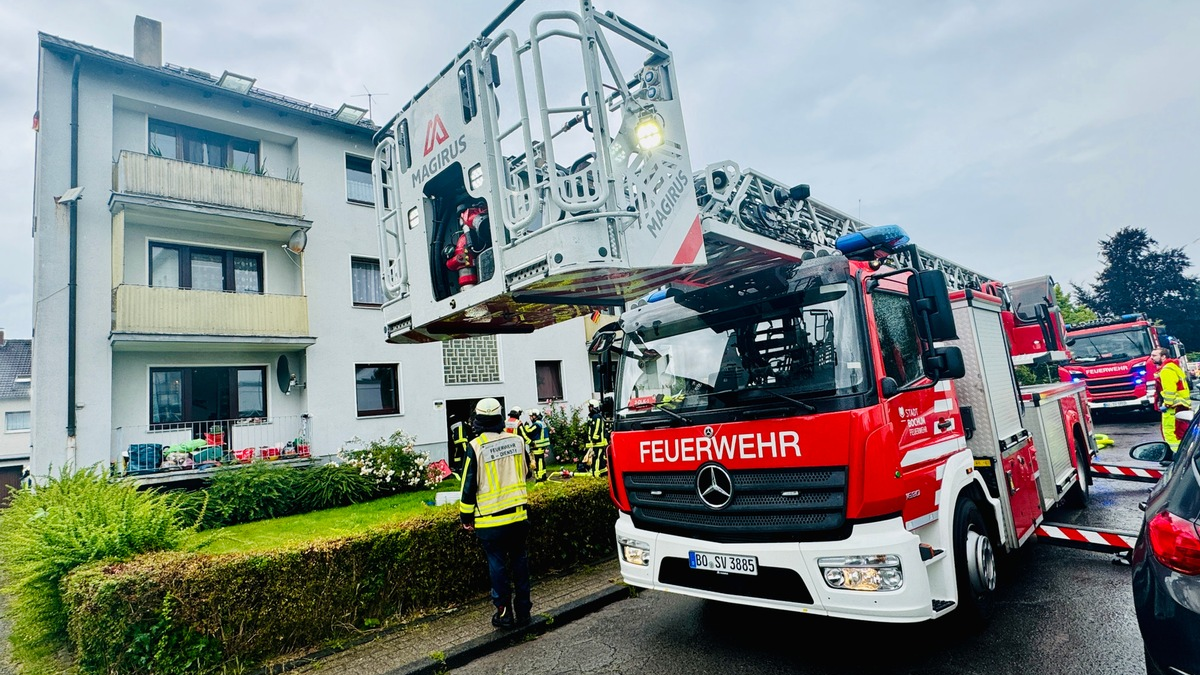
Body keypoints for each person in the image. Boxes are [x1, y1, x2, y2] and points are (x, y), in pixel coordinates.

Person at [459, 397, 533, 629]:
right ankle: (524, 611)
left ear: (478, 420)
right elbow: (527, 472)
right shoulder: (517, 440)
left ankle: (504, 615)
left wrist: (466, 517)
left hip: (491, 522)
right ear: (500, 417)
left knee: (498, 566)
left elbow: (468, 486)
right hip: (519, 517)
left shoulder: (475, 446)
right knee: (520, 563)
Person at [1151, 347, 1192, 453]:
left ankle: (1177, 455)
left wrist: (1167, 404)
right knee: (1181, 431)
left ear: (1163, 356)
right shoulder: (1173, 367)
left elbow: (1169, 390)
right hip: (1181, 405)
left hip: (1173, 407)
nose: (1151, 358)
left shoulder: (1166, 370)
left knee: (1171, 432)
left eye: (1154, 355)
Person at [583, 398, 609, 477]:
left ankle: (596, 473)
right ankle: (604, 472)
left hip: (598, 443)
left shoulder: (597, 417)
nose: (589, 408)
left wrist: (594, 439)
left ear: (593, 407)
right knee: (600, 459)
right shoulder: (594, 416)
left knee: (596, 458)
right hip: (596, 443)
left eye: (590, 407)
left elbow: (597, 428)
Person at [524, 408, 551, 482]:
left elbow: (529, 431)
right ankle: (543, 475)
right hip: (541, 446)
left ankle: (540, 477)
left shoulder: (537, 424)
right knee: (541, 461)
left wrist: (526, 426)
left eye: (531, 416)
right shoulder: (541, 422)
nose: (530, 418)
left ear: (535, 416)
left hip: (537, 446)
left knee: (538, 461)